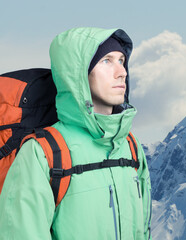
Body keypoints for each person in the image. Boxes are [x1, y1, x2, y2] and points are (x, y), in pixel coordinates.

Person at [0, 27, 152, 239]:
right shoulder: (42, 152)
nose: (122, 72)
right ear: (78, 74)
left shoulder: (130, 146)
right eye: (106, 61)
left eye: (121, 60)